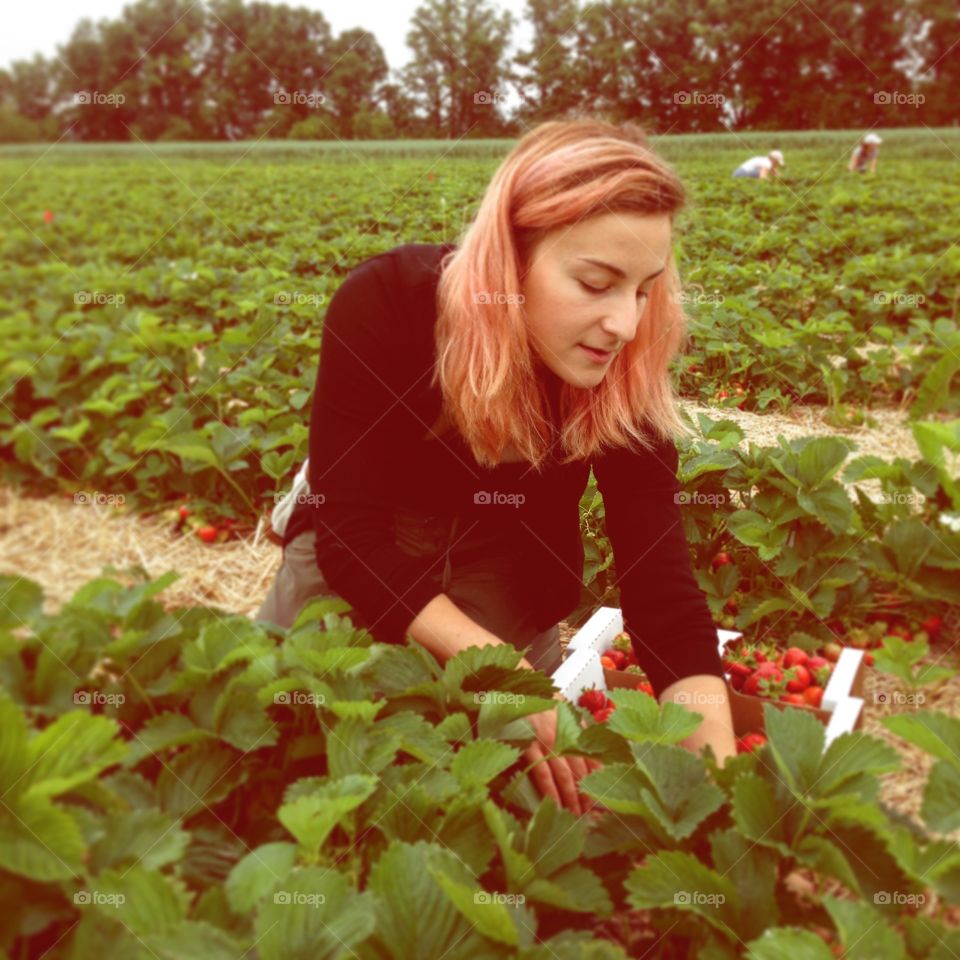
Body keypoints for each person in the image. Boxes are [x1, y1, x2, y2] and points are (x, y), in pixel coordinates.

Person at [256, 117, 739, 814]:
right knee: (290, 746)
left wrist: (726, 787)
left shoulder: (623, 370)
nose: (626, 324)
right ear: (510, 259)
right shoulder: (388, 304)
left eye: (643, 288)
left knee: (496, 795)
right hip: (360, 549)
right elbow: (350, 532)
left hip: (512, 564)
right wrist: (500, 671)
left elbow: (659, 587)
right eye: (596, 281)